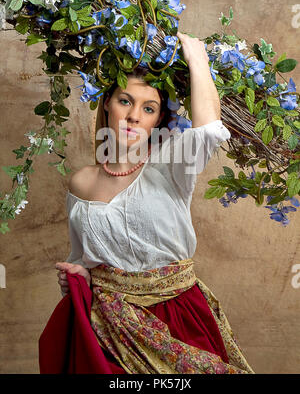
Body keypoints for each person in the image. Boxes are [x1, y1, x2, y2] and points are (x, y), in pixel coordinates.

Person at [44, 32, 254, 374]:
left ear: (159, 120)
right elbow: (85, 256)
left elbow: (209, 129)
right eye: (125, 101)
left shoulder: (172, 162)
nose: (134, 116)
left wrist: (197, 58)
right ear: (108, 103)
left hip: (177, 318)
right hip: (110, 327)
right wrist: (78, 275)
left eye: (149, 108)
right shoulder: (81, 182)